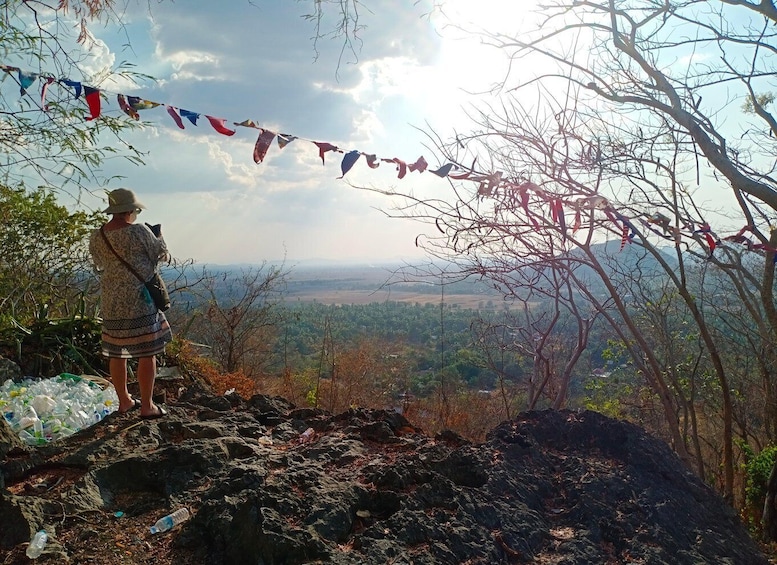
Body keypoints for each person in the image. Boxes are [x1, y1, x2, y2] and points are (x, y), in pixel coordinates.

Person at [88, 188, 172, 419]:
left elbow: (99, 262)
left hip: (112, 302)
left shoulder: (97, 236)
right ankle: (147, 405)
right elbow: (161, 254)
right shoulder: (138, 232)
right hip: (139, 300)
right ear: (129, 210)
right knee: (147, 352)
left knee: (117, 352)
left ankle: (124, 400)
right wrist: (159, 236)